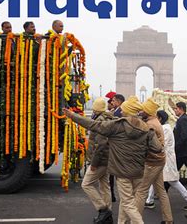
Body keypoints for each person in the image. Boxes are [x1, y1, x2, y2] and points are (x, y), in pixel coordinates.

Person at [64, 96, 162, 224]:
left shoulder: (117, 126)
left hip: (122, 172)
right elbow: (157, 148)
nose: (120, 111)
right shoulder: (146, 128)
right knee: (126, 201)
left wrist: (72, 115)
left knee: (127, 203)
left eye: (123, 109)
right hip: (138, 171)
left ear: (127, 111)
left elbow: (93, 125)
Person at [145, 110, 187, 210]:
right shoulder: (166, 128)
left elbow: (161, 145)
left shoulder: (165, 129)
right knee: (155, 178)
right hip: (164, 158)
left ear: (160, 118)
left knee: (173, 180)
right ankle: (149, 201)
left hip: (165, 159)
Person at [135, 98, 173, 224]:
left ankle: (136, 221)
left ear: (148, 111)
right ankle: (168, 220)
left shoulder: (150, 125)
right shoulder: (155, 121)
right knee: (161, 191)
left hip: (152, 162)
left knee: (141, 191)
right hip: (159, 160)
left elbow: (142, 143)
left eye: (143, 110)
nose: (141, 111)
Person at [81, 98, 116, 223]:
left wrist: (94, 164)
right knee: (104, 186)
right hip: (108, 159)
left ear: (96, 109)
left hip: (100, 161)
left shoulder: (100, 121)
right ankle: (108, 215)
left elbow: (100, 145)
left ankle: (103, 209)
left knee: (86, 184)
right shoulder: (108, 118)